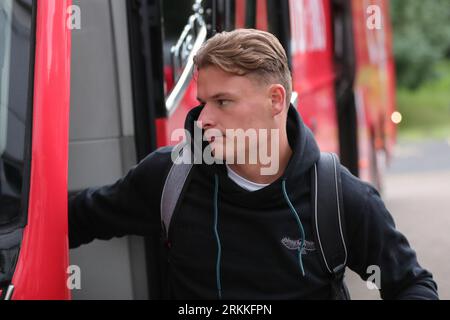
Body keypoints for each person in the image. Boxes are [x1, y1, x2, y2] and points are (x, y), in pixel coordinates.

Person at [69, 29, 438, 300]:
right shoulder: (170, 177)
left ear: (275, 100)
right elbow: (75, 218)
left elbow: (411, 285)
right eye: (203, 101)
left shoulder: (340, 198)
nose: (202, 119)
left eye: (223, 102)